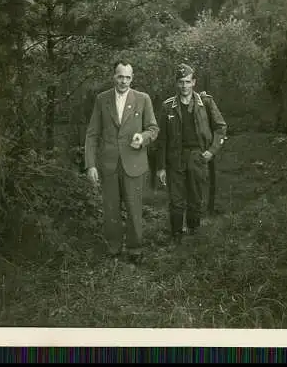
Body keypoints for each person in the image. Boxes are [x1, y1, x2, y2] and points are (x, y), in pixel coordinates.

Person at [85, 60, 159, 264]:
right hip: (108, 165)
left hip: (134, 163)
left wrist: (142, 138)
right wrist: (91, 164)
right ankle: (114, 248)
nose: (123, 81)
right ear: (113, 77)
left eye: (127, 77)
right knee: (110, 209)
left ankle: (135, 250)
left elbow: (153, 129)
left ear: (132, 78)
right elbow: (92, 134)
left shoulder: (142, 99)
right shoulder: (102, 99)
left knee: (134, 209)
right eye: (120, 76)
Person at [156, 63, 227, 244]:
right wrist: (161, 167)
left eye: (187, 82)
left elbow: (221, 127)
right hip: (175, 158)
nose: (184, 86)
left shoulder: (206, 103)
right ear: (176, 83)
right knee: (176, 200)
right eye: (181, 82)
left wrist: (211, 151)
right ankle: (177, 236)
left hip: (198, 156)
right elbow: (161, 139)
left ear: (194, 82)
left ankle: (194, 234)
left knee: (195, 198)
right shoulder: (167, 107)